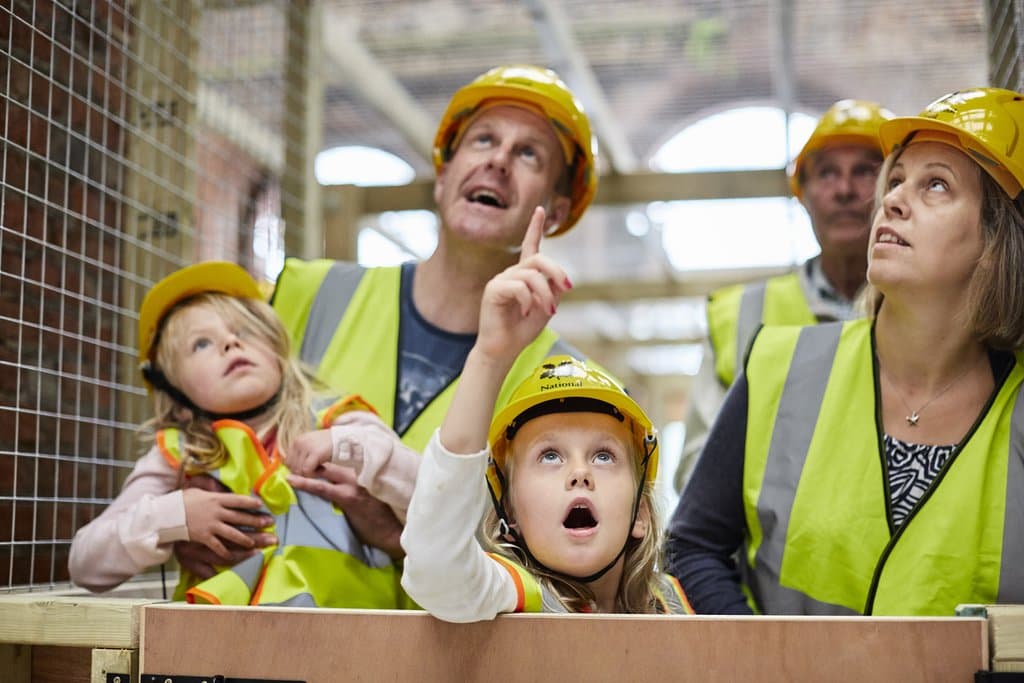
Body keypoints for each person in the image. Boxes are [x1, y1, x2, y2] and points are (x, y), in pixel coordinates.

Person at [171, 64, 599, 579]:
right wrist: (182, 502)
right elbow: (185, 394)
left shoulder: (562, 382)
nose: (499, 161)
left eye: (528, 153)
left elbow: (557, 566)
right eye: (483, 139)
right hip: (237, 638)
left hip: (435, 656)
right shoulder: (306, 293)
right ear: (442, 179)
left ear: (553, 212)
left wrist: (407, 539)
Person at [666, 87, 1024, 616]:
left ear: (998, 242)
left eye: (936, 186)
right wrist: (760, 663)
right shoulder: (777, 368)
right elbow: (691, 544)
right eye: (898, 180)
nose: (892, 200)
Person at [68, 261, 421, 607]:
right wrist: (175, 517)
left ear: (277, 351)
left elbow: (428, 495)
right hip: (231, 650)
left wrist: (348, 447)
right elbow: (85, 563)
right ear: (175, 391)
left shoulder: (338, 423)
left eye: (246, 331)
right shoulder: (178, 455)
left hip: (354, 635)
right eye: (201, 344)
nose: (230, 344)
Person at [400, 214, 691, 620]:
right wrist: (489, 356)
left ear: (641, 514)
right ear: (510, 515)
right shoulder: (509, 593)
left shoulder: (672, 604)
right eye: (550, 456)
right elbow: (433, 567)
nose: (579, 472)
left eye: (604, 456)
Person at [674, 99, 894, 491]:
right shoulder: (739, 314)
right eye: (827, 174)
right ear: (803, 195)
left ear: (895, 191)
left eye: (865, 171)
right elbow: (698, 470)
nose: (844, 189)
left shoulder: (934, 308)